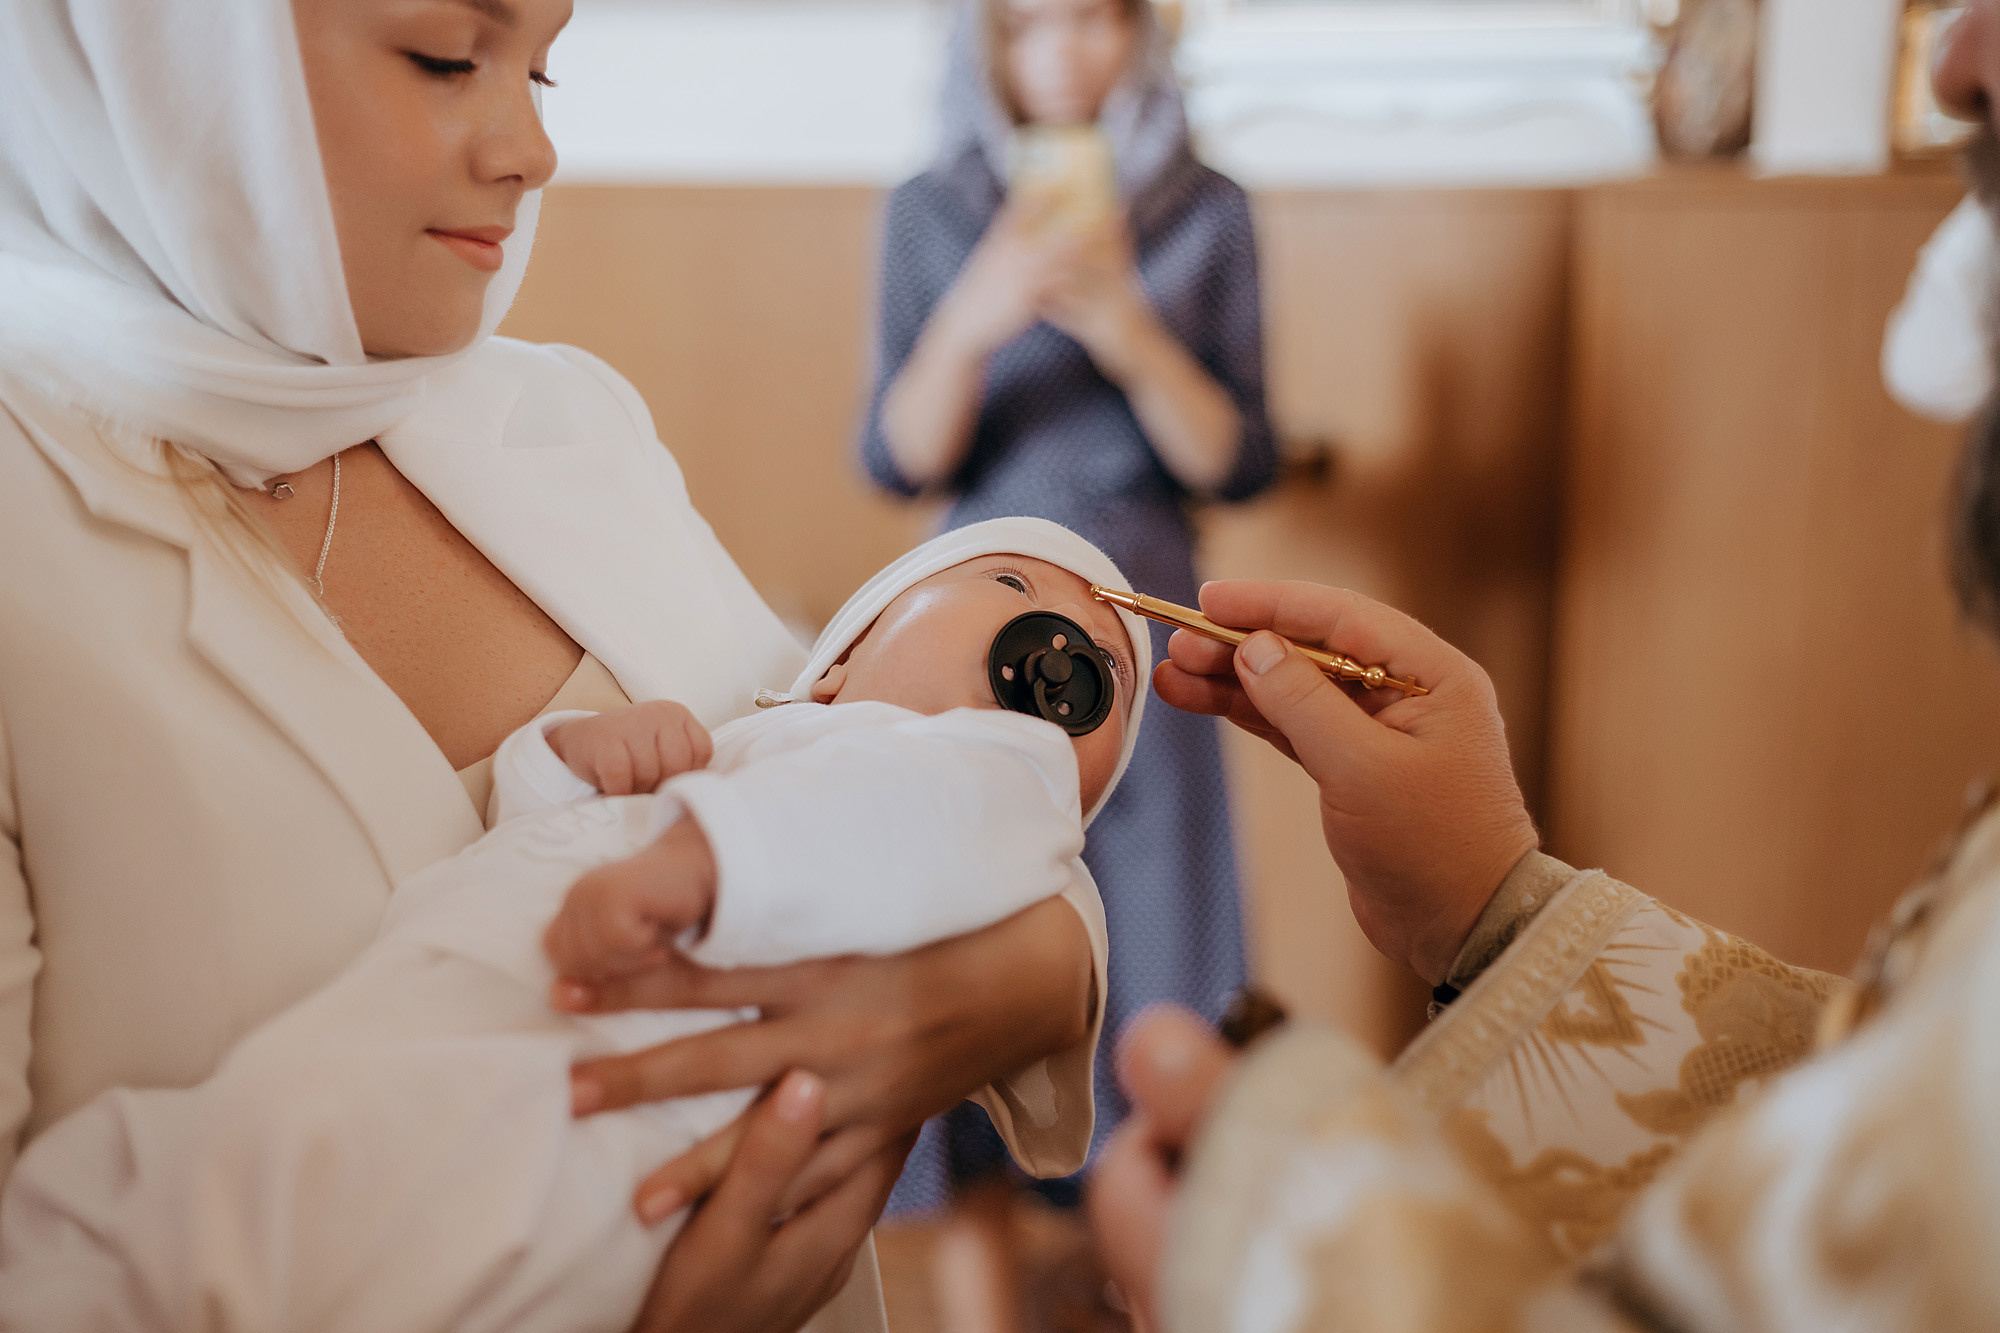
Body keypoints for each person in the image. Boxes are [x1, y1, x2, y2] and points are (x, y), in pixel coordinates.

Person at [0, 3, 1112, 1330]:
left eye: (543, 67)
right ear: (165, 47)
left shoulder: (565, 418)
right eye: (443, 56)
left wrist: (1028, 976)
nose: (534, 149)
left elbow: (874, 749)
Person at [1084, 8, 2000, 1329]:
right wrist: (1498, 906)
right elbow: (1878, 1119)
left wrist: (1286, 1268)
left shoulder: (1201, 212)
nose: (1959, 52)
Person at [0, 520, 1148, 1333]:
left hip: (618, 1107)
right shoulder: (749, 741)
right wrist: (572, 762)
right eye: (1009, 580)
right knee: (230, 1167)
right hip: (467, 1010)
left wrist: (704, 859)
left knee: (347, 1237)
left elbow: (910, 821)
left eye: (1108, 670)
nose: (1068, 643)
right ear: (841, 656)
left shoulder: (999, 779)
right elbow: (528, 836)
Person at [859, 0, 1278, 1206]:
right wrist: (975, 317)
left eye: (1095, 20)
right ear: (985, 43)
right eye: (1030, 25)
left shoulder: (1208, 210)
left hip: (1148, 609)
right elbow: (898, 458)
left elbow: (1233, 460)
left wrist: (1122, 323)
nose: (1065, 53)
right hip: (968, 608)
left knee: (1162, 941)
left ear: (1142, 33)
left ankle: (1154, 1266)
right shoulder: (930, 207)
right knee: (964, 930)